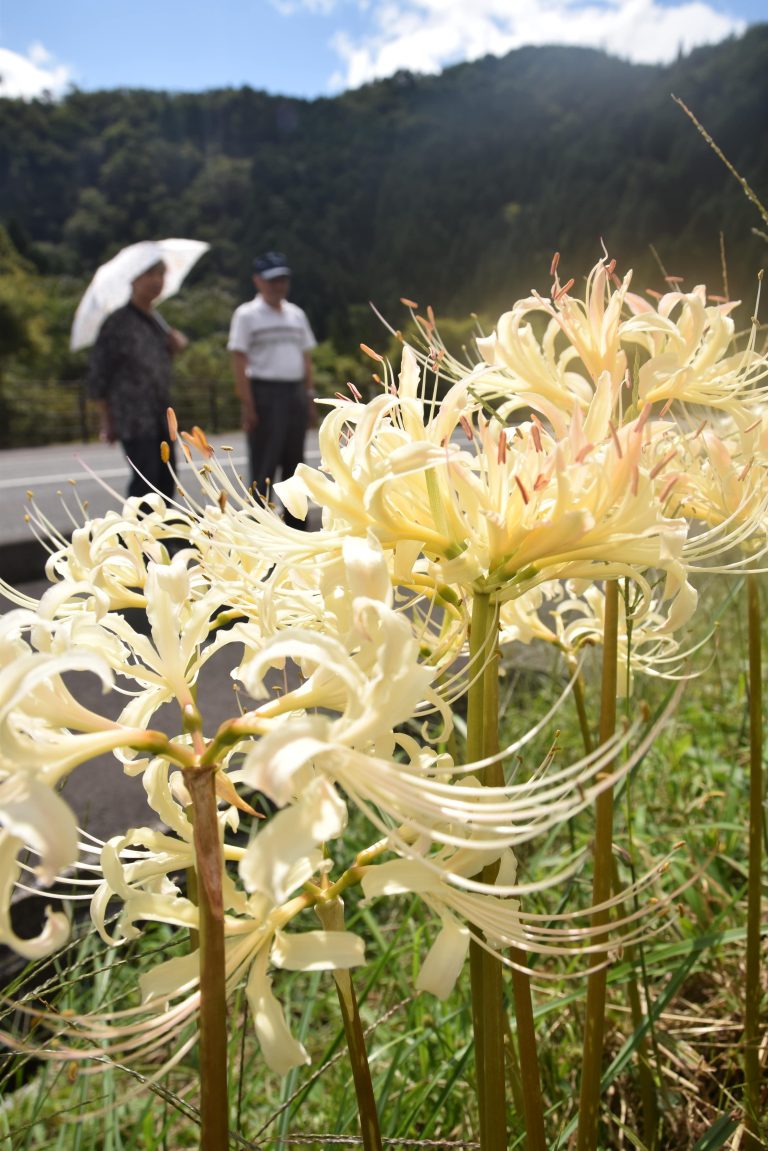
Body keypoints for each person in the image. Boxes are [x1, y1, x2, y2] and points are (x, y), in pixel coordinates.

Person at [228, 251, 316, 528]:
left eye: (282, 279)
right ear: (258, 281)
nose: (278, 285)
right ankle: (260, 524)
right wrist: (248, 404)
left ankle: (296, 523)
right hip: (265, 393)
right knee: (264, 463)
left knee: (295, 461)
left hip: (294, 392)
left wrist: (309, 396)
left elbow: (305, 358)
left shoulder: (296, 315)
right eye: (272, 280)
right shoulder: (247, 315)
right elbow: (238, 360)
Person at [88, 255, 187, 501]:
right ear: (133, 280)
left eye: (161, 275)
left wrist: (176, 346)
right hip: (133, 416)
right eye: (150, 274)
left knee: (167, 477)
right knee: (146, 481)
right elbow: (99, 373)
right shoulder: (117, 322)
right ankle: (137, 537)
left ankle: (164, 538)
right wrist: (107, 419)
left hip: (161, 414)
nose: (157, 281)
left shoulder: (156, 322)